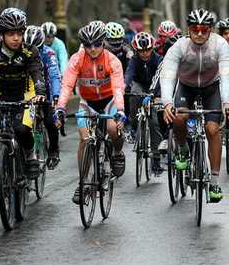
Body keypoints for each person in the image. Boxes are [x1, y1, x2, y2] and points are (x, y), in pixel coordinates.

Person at [160, 8, 229, 202]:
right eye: (195, 29)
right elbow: (168, 76)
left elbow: (226, 79)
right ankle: (183, 148)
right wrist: (167, 102)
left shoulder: (221, 45)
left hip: (212, 88)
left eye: (204, 29)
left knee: (212, 129)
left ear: (210, 30)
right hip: (186, 87)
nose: (200, 33)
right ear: (189, 30)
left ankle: (215, 182)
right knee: (179, 117)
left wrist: (227, 103)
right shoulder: (179, 47)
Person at [0, 8, 46, 196]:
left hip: (25, 93)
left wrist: (39, 93)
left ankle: (30, 157)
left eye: (19, 33)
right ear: (2, 35)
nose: (16, 38)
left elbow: (37, 73)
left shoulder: (30, 51)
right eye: (10, 34)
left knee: (22, 129)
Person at [54, 21, 127, 204]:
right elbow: (67, 86)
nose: (92, 49)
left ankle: (117, 152)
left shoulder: (112, 60)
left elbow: (118, 87)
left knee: (112, 129)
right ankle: (84, 182)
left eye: (96, 44)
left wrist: (120, 110)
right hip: (87, 103)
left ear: (103, 42)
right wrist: (60, 108)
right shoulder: (77, 59)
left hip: (109, 101)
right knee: (85, 139)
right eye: (88, 45)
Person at [125, 31, 165, 174]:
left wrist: (155, 95)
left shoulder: (159, 59)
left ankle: (155, 158)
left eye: (147, 50)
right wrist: (124, 86)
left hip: (155, 88)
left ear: (152, 48)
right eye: (141, 51)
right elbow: (129, 75)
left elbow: (160, 78)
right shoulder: (134, 60)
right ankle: (134, 127)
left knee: (154, 122)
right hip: (140, 85)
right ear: (136, 50)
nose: (145, 53)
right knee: (133, 94)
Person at [23, 25, 62, 169]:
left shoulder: (49, 53)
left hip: (45, 90)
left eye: (36, 48)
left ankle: (53, 151)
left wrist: (56, 96)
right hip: (25, 91)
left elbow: (54, 76)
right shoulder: (18, 52)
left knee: (50, 122)